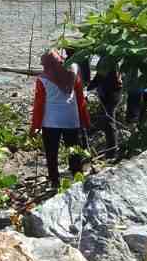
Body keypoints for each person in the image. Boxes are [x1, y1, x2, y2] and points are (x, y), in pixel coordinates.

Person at [31, 49, 91, 188]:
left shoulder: (42, 79)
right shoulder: (73, 70)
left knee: (52, 153)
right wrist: (85, 120)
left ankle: (54, 181)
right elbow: (80, 98)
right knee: (74, 151)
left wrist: (35, 126)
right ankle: (78, 177)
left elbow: (39, 105)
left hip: (50, 121)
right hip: (71, 119)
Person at [89, 62, 123, 154]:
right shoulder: (108, 60)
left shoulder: (109, 61)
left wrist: (89, 86)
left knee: (109, 123)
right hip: (109, 93)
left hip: (111, 95)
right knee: (108, 122)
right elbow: (99, 76)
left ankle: (112, 150)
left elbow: (100, 77)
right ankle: (111, 148)